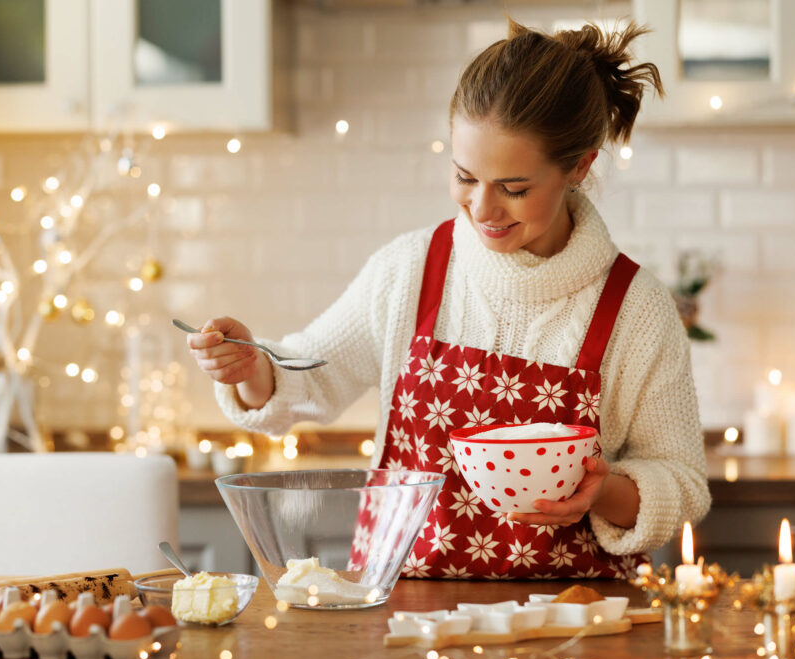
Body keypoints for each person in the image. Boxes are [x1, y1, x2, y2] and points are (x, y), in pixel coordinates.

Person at [186, 18, 710, 579]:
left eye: (514, 189)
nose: (483, 209)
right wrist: (252, 365)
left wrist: (601, 492)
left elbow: (681, 482)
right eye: (465, 177)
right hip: (405, 614)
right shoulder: (410, 270)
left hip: (575, 624)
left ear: (579, 166)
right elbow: (310, 375)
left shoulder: (637, 309)